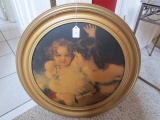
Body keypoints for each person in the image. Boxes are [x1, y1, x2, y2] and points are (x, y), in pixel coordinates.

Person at [73, 37, 125, 105]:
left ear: (87, 56)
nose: (74, 60)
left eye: (76, 56)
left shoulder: (114, 69)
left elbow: (126, 76)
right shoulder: (83, 71)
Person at [44, 38, 96, 106]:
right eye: (58, 55)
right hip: (65, 89)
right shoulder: (55, 66)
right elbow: (49, 69)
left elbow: (88, 49)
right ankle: (73, 109)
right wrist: (52, 66)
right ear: (53, 55)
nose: (63, 59)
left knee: (81, 83)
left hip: (79, 86)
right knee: (69, 100)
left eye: (67, 55)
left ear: (72, 55)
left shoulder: (73, 63)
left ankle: (93, 91)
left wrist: (91, 35)